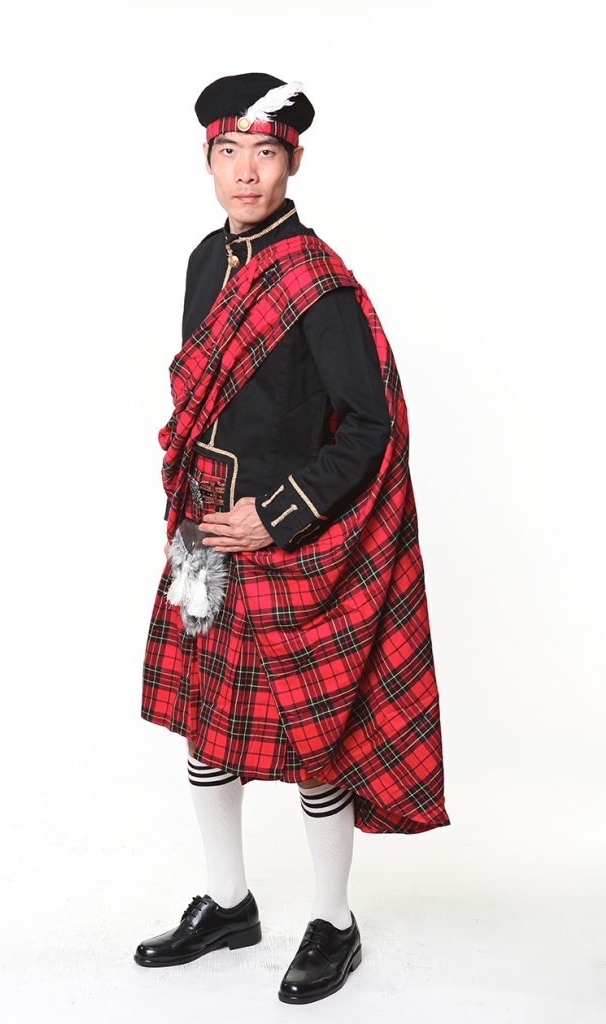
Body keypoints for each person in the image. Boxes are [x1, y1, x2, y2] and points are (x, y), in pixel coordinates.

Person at [136, 73, 449, 1005]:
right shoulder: (205, 259)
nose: (246, 172)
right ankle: (227, 903)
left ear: (293, 163)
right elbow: (204, 395)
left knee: (317, 743)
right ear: (207, 159)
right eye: (229, 152)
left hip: (290, 542)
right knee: (209, 732)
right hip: (206, 534)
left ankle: (332, 921)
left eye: (265, 153)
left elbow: (371, 426)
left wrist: (276, 513)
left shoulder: (319, 283)